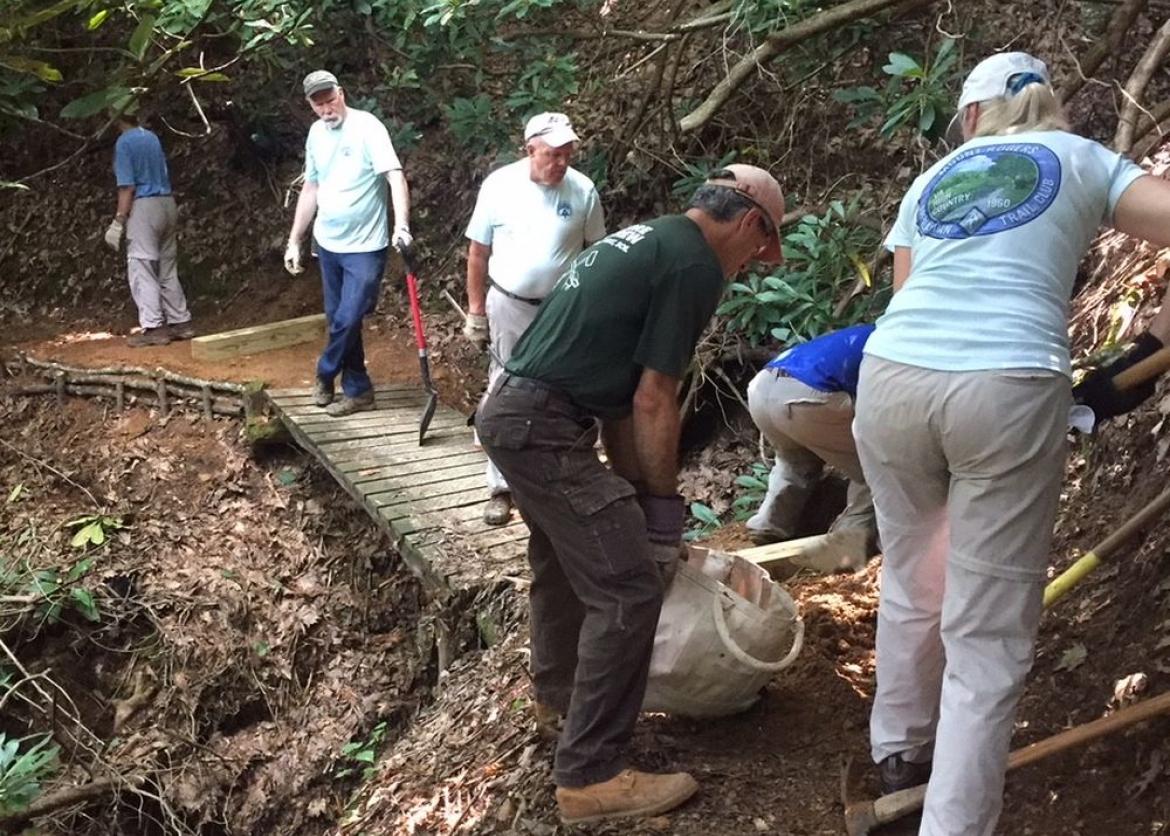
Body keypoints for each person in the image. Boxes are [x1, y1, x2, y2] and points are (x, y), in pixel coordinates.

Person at [851, 51, 1170, 835]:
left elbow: (906, 300)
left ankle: (899, 749)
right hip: (1007, 380)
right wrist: (1153, 343)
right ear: (1049, 107)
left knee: (913, 573)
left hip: (892, 378)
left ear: (971, 117)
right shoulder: (1083, 157)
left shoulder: (932, 182)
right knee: (987, 631)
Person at [476, 164, 785, 824]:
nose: (754, 266)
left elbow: (621, 405)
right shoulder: (694, 264)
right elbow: (655, 399)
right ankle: (591, 774)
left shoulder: (651, 239)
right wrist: (663, 512)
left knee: (563, 560)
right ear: (751, 225)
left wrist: (643, 498)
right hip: (543, 424)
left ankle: (559, 702)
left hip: (515, 415)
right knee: (627, 586)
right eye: (762, 249)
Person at [464, 112, 606, 526]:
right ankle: (500, 487)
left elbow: (597, 252)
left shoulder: (583, 189)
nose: (560, 161)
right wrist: (475, 311)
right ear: (530, 150)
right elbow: (478, 252)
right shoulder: (499, 186)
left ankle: (570, 478)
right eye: (552, 153)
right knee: (504, 386)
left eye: (567, 153)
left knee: (570, 387)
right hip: (509, 303)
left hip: (565, 307)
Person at [284, 70, 412, 417]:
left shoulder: (367, 127)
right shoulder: (315, 134)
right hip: (327, 243)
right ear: (310, 104)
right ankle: (358, 391)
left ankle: (325, 372)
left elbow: (394, 176)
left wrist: (401, 225)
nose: (326, 107)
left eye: (330, 98)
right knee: (338, 318)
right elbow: (311, 187)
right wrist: (295, 239)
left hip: (366, 245)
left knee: (349, 315)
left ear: (341, 93)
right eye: (318, 102)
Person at [745, 323, 876, 560]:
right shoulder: (897, 342)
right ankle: (848, 542)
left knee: (795, 462)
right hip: (808, 395)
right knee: (875, 468)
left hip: (761, 388)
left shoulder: (863, 332)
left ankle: (769, 526)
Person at [103, 109, 194, 347]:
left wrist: (118, 221)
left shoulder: (124, 143)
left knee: (141, 266)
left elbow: (127, 187)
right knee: (167, 265)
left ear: (115, 116)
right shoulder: (150, 136)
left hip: (144, 207)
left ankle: (154, 327)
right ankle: (180, 322)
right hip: (167, 203)